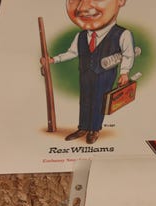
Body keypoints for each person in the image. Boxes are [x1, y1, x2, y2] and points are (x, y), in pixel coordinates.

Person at [43, 0, 135, 144]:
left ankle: (94, 129)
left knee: (98, 101)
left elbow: (128, 54)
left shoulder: (122, 34)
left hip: (104, 74)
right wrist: (54, 60)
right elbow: (72, 52)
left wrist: (124, 72)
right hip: (85, 73)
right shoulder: (81, 36)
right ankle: (83, 127)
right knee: (85, 100)